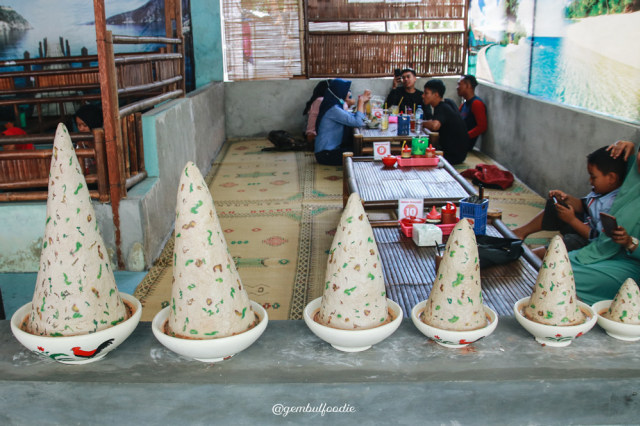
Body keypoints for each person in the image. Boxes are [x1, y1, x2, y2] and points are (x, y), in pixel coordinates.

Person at [512, 146, 627, 258]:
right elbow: (583, 206)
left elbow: (596, 237)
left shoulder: (611, 204)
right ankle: (521, 232)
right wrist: (566, 199)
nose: (590, 181)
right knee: (556, 206)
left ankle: (531, 256)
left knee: (570, 243)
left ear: (611, 178)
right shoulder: (601, 191)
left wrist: (572, 220)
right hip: (583, 222)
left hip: (588, 240)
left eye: (593, 177)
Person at [569, 140, 640, 305]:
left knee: (567, 279)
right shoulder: (635, 174)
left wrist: (631, 243)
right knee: (554, 264)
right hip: (604, 249)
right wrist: (626, 145)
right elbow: (618, 160)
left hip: (631, 265)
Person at [314, 79, 370, 166]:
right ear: (339, 91)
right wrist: (360, 102)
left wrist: (364, 104)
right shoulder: (333, 109)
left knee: (364, 150)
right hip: (326, 154)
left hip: (330, 151)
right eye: (347, 90)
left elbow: (357, 118)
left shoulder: (335, 106)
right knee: (362, 153)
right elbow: (357, 122)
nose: (349, 92)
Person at [421, 79, 469, 165]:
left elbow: (435, 125)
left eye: (426, 93)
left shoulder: (441, 107)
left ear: (436, 95)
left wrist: (420, 123)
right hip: (461, 154)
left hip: (451, 156)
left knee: (418, 153)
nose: (423, 96)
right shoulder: (448, 102)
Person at [456, 74, 487, 151]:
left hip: (464, 144)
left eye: (459, 84)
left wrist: (465, 137)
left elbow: (482, 126)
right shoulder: (463, 105)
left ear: (468, 86)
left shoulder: (477, 103)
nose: (457, 88)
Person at [74, 104, 103, 174]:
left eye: (85, 125)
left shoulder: (104, 140)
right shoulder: (80, 143)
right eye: (78, 125)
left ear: (93, 123)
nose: (80, 129)